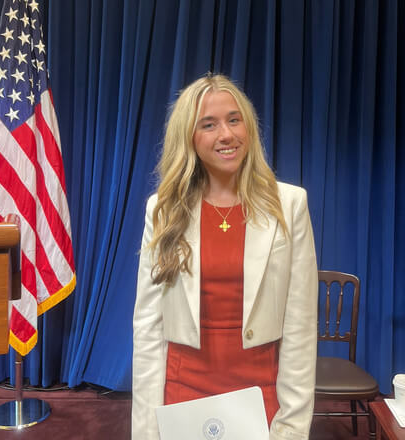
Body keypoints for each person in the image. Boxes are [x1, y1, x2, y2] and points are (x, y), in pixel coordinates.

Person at [132, 74, 318, 440]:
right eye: (209, 124)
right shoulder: (163, 211)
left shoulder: (290, 205)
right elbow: (148, 330)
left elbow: (300, 328)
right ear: (189, 137)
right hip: (181, 399)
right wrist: (146, 430)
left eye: (234, 120)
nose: (227, 134)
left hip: (260, 400)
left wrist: (292, 428)